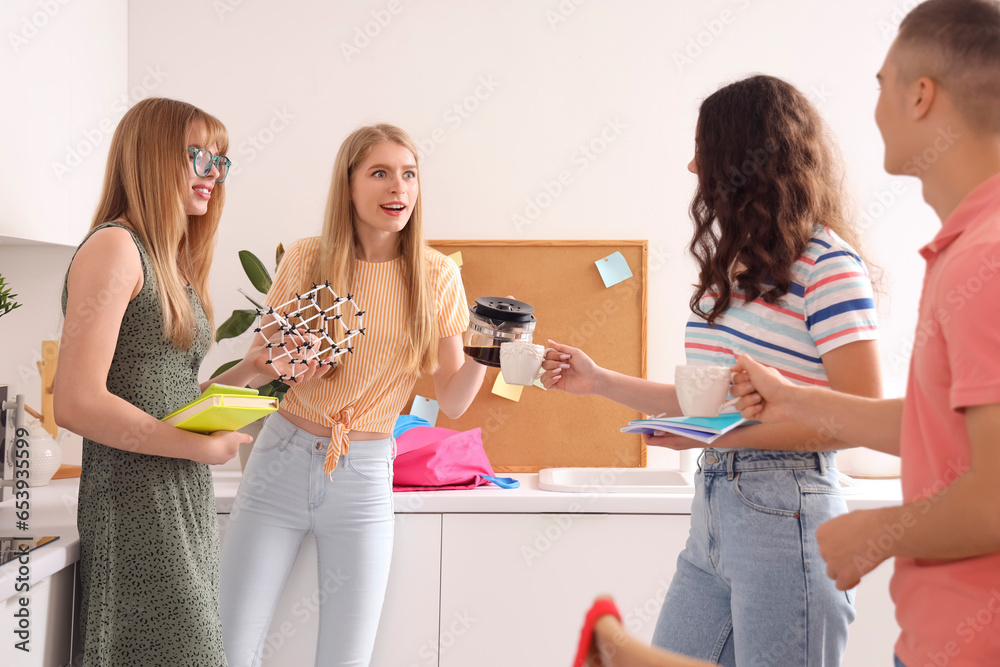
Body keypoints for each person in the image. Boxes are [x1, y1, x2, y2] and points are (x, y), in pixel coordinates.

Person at [541, 75, 883, 665]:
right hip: (716, 511)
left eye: (705, 148)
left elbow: (863, 418)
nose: (692, 165)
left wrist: (722, 432)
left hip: (788, 514)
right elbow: (709, 402)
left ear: (746, 159)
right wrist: (598, 381)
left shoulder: (828, 266)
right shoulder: (735, 270)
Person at [731, 1, 1000, 665]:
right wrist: (799, 400)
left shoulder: (985, 259)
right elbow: (943, 426)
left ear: (920, 96)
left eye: (880, 84)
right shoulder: (967, 247)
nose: (873, 106)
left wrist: (877, 533)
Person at [217, 123, 487, 667]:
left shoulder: (436, 275)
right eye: (381, 173)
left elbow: (453, 401)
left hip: (363, 474)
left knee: (346, 659)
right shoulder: (306, 257)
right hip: (281, 460)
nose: (399, 189)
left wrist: (494, 347)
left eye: (409, 175)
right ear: (349, 185)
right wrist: (293, 358)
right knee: (228, 649)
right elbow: (265, 359)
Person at [53, 97, 253, 666]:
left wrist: (256, 369)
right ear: (150, 158)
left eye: (221, 160)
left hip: (178, 498)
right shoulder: (115, 247)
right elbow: (76, 402)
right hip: (134, 504)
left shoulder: (169, 260)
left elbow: (171, 396)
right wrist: (200, 447)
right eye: (198, 156)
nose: (213, 174)